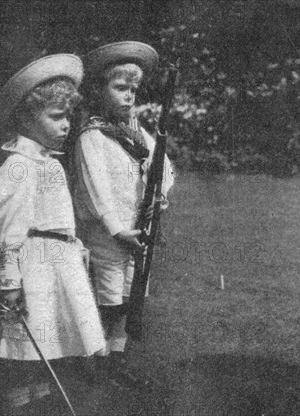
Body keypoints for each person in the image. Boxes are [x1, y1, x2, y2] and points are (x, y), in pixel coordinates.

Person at [0, 54, 106, 413]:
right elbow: (5, 229)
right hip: (31, 268)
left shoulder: (50, 163)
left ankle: (40, 401)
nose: (66, 125)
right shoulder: (19, 166)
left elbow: (59, 218)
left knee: (53, 342)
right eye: (56, 117)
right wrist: (9, 281)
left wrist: (75, 248)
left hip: (58, 265)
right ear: (25, 118)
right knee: (25, 344)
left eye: (69, 116)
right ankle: (20, 402)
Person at [70, 41, 174, 373]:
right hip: (107, 230)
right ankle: (96, 359)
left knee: (133, 292)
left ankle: (118, 356)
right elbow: (95, 189)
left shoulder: (138, 135)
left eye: (133, 89)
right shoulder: (93, 136)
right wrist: (116, 228)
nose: (129, 96)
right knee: (109, 292)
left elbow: (165, 166)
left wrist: (160, 194)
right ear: (98, 90)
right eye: (119, 88)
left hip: (139, 227)